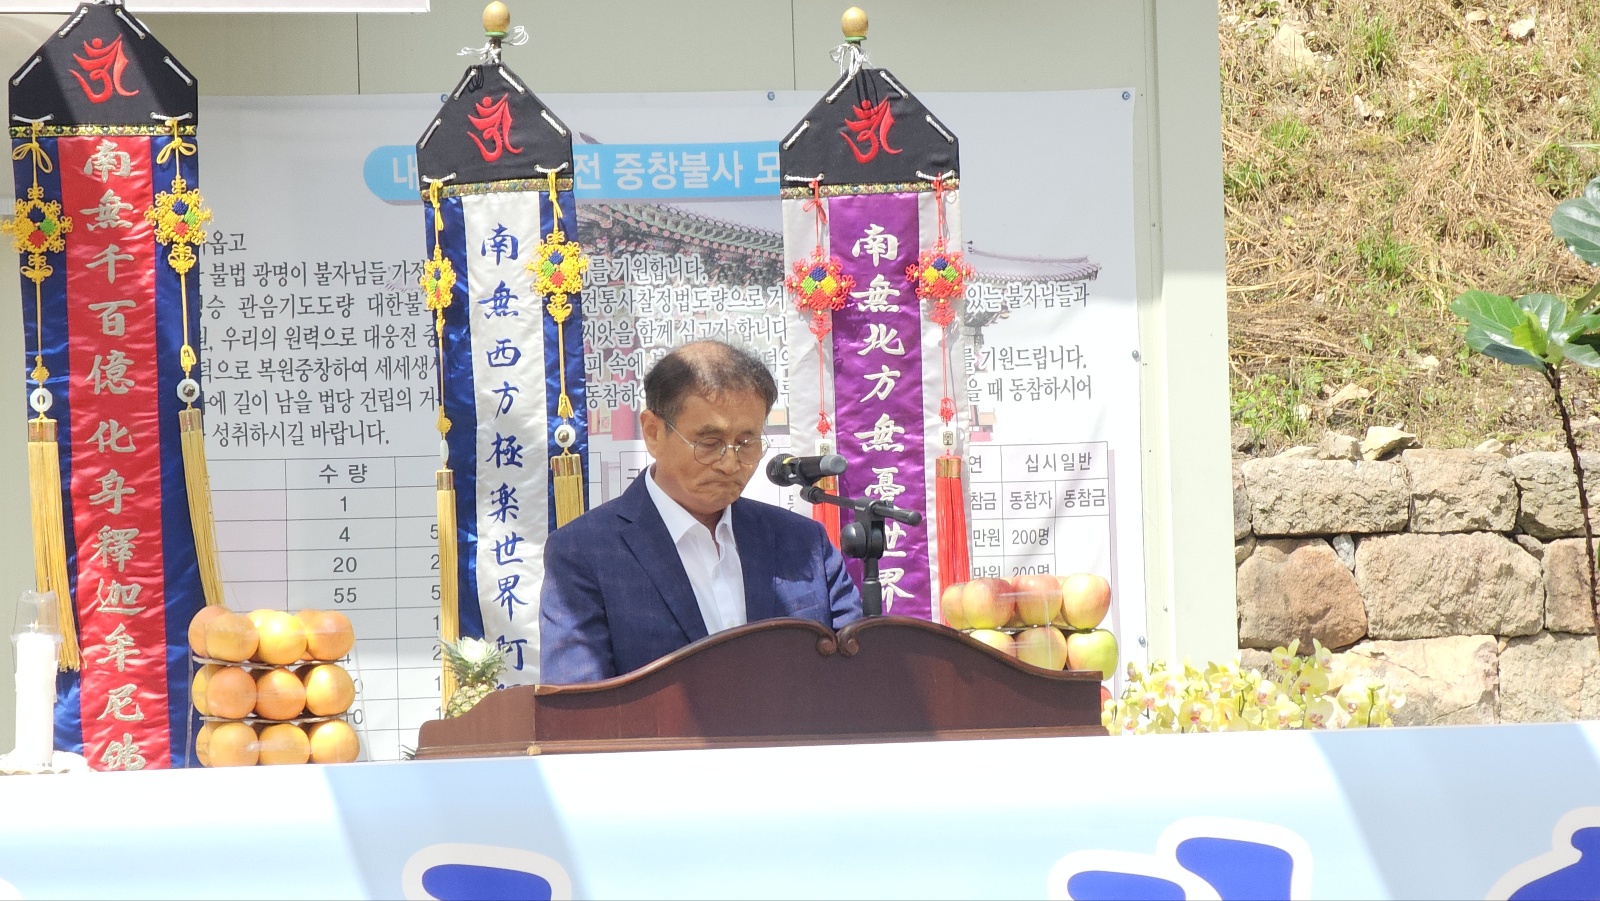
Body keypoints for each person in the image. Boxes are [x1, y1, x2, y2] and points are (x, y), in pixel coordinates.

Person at [539, 339, 863, 684]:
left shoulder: (803, 542)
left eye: (746, 443)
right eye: (709, 443)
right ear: (653, 432)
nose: (730, 464)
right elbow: (581, 701)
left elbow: (857, 674)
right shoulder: (584, 553)